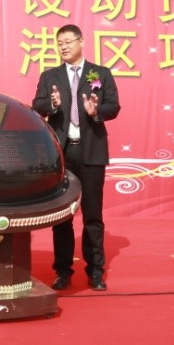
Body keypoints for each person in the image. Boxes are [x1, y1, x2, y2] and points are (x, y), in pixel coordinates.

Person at [32, 24, 120, 291]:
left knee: (93, 215)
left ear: (81, 42)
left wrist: (95, 112)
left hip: (91, 150)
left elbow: (114, 106)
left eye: (68, 41)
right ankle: (62, 271)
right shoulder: (50, 76)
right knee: (62, 217)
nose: (64, 46)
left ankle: (95, 271)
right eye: (59, 43)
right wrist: (53, 104)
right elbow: (37, 105)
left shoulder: (101, 73)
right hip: (62, 152)